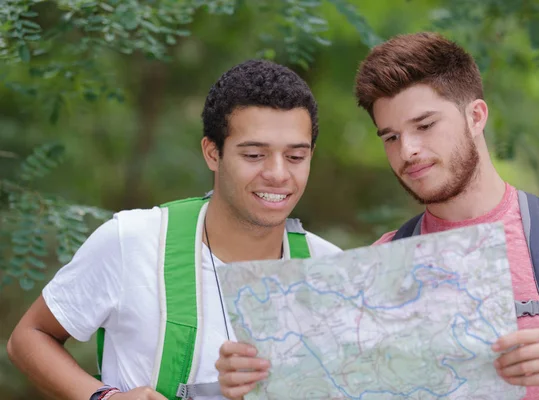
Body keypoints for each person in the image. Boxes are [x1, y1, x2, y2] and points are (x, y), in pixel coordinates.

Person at [7, 59, 341, 400]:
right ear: (213, 153)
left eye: (296, 157)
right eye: (254, 154)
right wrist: (105, 398)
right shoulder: (133, 241)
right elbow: (30, 336)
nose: (278, 174)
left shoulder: (335, 271)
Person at [352, 32, 539, 399]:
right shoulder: (384, 260)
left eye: (424, 125)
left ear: (476, 116)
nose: (408, 150)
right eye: (390, 137)